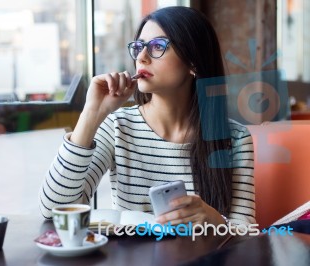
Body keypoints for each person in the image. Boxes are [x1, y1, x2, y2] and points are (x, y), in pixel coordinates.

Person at [39, 6, 255, 227]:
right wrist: (92, 113)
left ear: (193, 63)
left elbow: (247, 235)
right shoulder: (118, 126)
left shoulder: (235, 138)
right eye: (139, 47)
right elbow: (53, 210)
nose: (141, 57)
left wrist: (215, 220)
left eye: (157, 46)